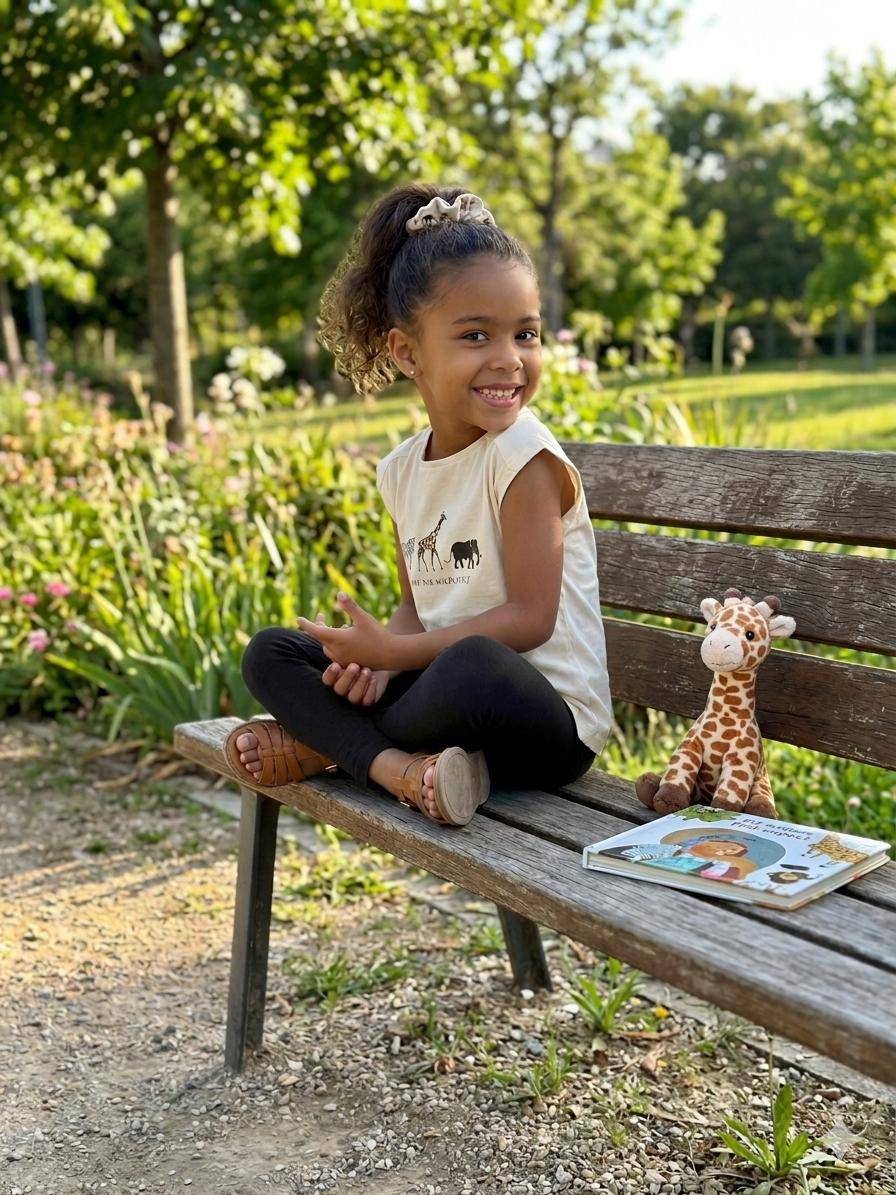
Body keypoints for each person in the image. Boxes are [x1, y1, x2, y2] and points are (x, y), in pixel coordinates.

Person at [224, 183, 612, 827]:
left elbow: (531, 621)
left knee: (473, 665)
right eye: (475, 336)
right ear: (408, 352)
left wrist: (395, 658)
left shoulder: (523, 455)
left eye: (526, 333)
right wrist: (371, 660)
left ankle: (330, 746)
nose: (509, 359)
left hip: (544, 721)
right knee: (271, 652)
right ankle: (399, 768)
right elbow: (415, 609)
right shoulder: (402, 470)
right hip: (441, 704)